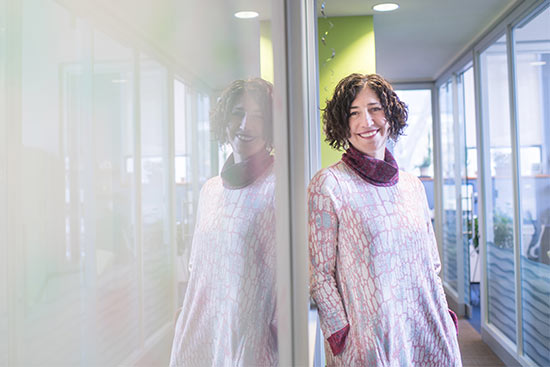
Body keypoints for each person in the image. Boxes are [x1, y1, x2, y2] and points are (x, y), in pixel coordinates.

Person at [308, 73, 461, 366]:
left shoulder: (412, 184)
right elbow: (320, 275)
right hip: (370, 340)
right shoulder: (329, 184)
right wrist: (342, 334)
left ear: (390, 114)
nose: (366, 121)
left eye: (374, 108)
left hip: (426, 326)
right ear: (343, 124)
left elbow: (431, 263)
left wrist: (444, 313)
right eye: (353, 113)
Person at [170, 78, 277, 366]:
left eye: (258, 117)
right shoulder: (211, 189)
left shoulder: (279, 186)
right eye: (238, 113)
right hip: (200, 331)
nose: (245, 125)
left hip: (247, 340)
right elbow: (198, 270)